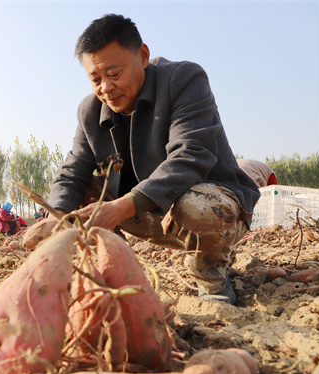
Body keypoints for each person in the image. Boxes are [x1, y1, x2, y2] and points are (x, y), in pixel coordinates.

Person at [48, 14, 260, 305]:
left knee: (196, 205)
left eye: (113, 73)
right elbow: (72, 171)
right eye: (95, 79)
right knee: (77, 201)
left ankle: (212, 279)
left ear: (143, 56)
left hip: (212, 214)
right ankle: (115, 277)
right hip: (145, 217)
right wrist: (53, 217)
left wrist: (120, 207)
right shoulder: (90, 111)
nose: (105, 88)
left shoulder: (184, 80)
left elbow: (191, 156)